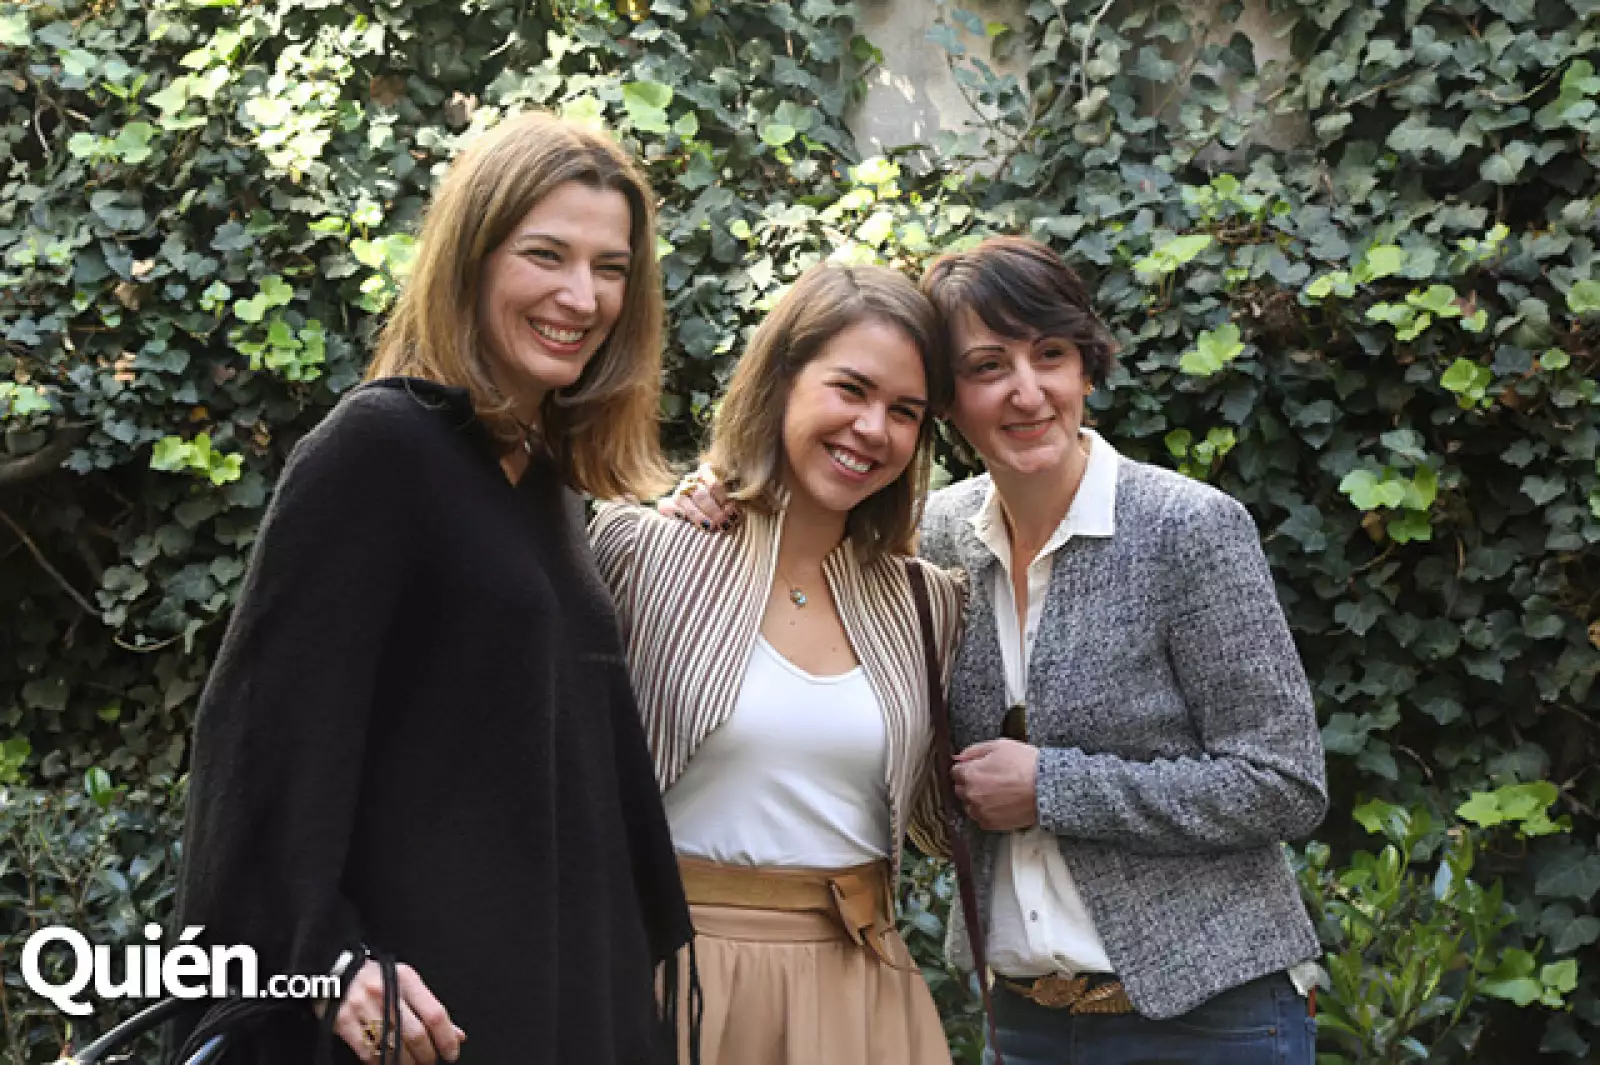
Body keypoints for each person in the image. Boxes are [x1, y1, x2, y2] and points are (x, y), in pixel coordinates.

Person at [665, 236, 1328, 1065]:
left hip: (1208, 1017)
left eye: (1050, 355)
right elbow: (805, 555)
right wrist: (717, 491)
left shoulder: (1189, 529)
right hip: (1024, 1024)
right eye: (987, 366)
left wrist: (1053, 785)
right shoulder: (932, 540)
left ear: (1086, 367)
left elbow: (1285, 783)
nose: (1027, 391)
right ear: (947, 403)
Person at [172, 112, 695, 1065]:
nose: (582, 296)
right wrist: (321, 960)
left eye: (610, 267)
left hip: (549, 997)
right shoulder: (377, 450)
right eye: (546, 254)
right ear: (471, 260)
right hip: (414, 1018)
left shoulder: (542, 485)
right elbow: (260, 746)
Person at [588, 261, 966, 1065]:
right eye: (851, 389)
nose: (874, 429)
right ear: (783, 380)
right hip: (677, 981)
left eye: (905, 411)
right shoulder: (642, 549)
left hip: (863, 993)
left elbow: (947, 814)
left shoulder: (926, 602)